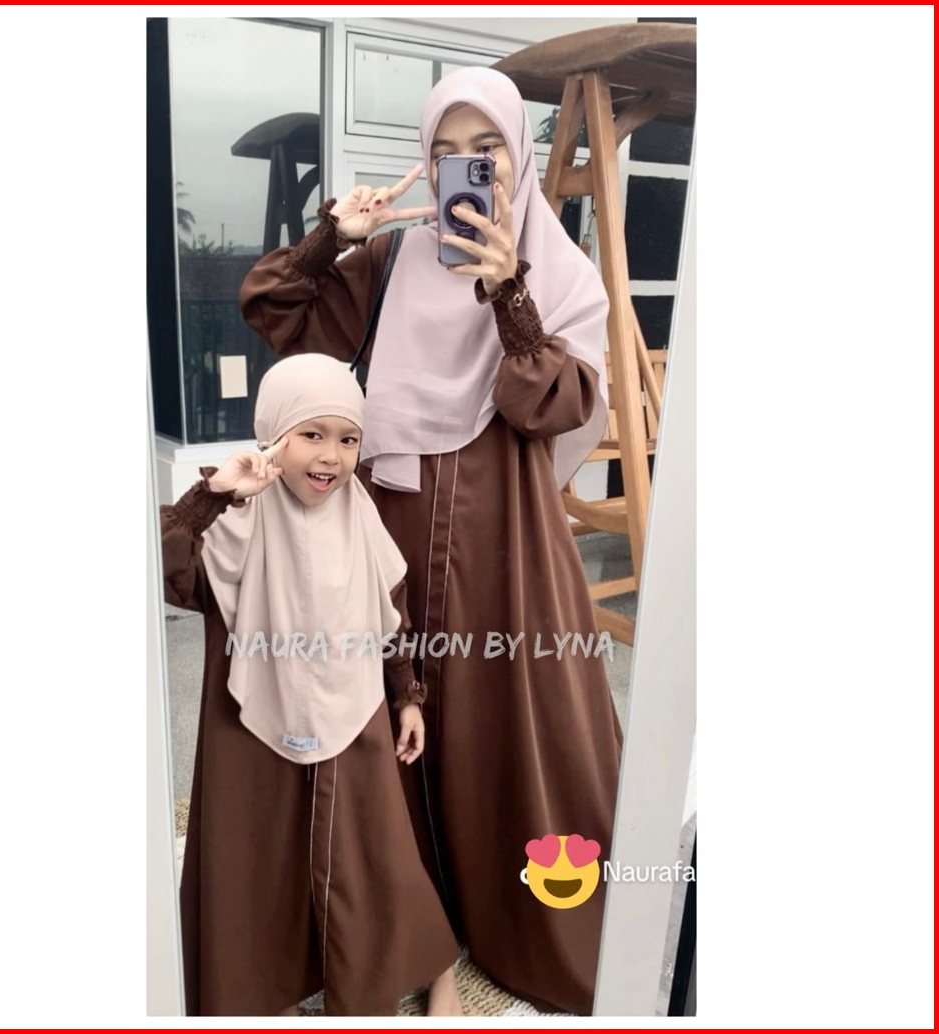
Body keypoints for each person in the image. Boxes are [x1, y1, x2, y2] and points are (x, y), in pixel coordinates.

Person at [239, 66, 624, 1015]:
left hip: (506, 539)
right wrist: (336, 235)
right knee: (378, 715)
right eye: (445, 153)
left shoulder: (557, 272)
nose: (466, 169)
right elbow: (276, 309)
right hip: (390, 524)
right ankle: (398, 929)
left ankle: (517, 919)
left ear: (518, 155)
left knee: (507, 718)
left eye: (485, 150)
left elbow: (554, 405)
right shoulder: (389, 266)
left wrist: (508, 292)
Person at [160, 353, 460, 1016]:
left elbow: (391, 613)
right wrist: (216, 494)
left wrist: (407, 698)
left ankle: (433, 967)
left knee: (376, 853)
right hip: (252, 715)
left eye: (348, 439)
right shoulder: (236, 516)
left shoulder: (360, 515)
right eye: (311, 434)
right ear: (274, 437)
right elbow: (164, 565)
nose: (331, 456)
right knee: (258, 852)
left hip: (354, 710)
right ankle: (263, 983)